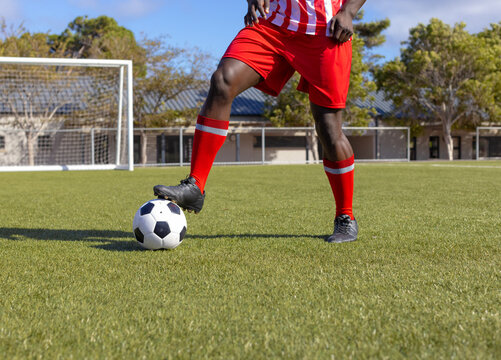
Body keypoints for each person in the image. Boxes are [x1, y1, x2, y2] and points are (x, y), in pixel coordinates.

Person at [154, 0, 366, 243]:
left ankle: (345, 217)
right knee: (223, 80)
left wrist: (348, 11)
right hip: (272, 25)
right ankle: (195, 185)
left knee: (329, 130)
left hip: (325, 32)